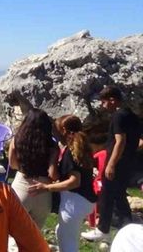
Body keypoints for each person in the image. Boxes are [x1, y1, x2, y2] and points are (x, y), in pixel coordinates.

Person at [27, 115, 97, 252]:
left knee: (68, 243)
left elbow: (74, 181)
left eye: (55, 129)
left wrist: (46, 187)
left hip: (74, 202)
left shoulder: (70, 153)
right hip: (85, 200)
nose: (53, 132)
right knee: (63, 231)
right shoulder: (81, 147)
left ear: (63, 130)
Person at [82, 86, 142, 242]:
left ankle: (103, 229)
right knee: (119, 195)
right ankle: (129, 228)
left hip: (117, 162)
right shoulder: (132, 116)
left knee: (106, 194)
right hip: (128, 161)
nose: (102, 106)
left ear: (112, 100)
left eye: (103, 102)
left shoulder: (118, 116)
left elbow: (120, 141)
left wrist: (111, 164)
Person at [8, 108, 59, 230]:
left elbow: (12, 164)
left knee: (14, 231)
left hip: (21, 185)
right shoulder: (52, 145)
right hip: (43, 190)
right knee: (35, 234)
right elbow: (53, 174)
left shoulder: (17, 140)